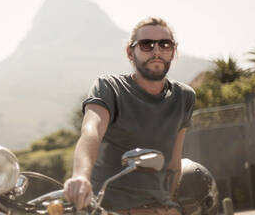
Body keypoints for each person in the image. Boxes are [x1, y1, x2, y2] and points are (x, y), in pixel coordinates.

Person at [63, 17, 194, 215]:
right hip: (106, 207)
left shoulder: (184, 96)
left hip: (159, 207)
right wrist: (80, 176)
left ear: (173, 51)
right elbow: (91, 132)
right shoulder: (110, 87)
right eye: (146, 45)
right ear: (130, 52)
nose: (156, 51)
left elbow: (174, 163)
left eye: (164, 44)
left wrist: (170, 204)